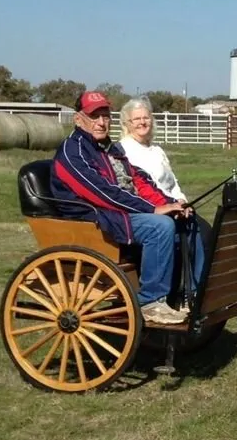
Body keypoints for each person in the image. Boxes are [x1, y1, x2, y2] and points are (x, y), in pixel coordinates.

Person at [49, 91, 205, 324]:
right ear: (78, 119)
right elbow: (102, 193)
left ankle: (193, 294)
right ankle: (151, 302)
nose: (101, 122)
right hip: (94, 219)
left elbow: (138, 180)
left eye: (105, 116)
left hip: (116, 213)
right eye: (94, 116)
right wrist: (152, 210)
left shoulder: (108, 149)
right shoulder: (73, 152)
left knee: (187, 220)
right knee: (159, 226)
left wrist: (168, 203)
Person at [117, 96, 214, 249]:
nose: (142, 122)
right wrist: (170, 206)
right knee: (198, 232)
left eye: (145, 118)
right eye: (136, 119)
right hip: (152, 209)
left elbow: (173, 183)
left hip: (174, 205)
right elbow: (143, 187)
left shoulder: (157, 151)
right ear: (127, 124)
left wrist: (181, 200)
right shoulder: (124, 151)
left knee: (205, 230)